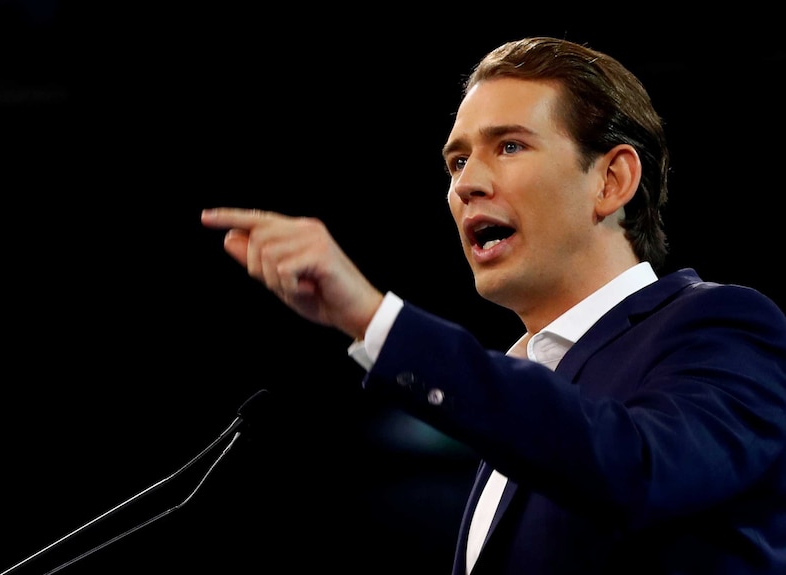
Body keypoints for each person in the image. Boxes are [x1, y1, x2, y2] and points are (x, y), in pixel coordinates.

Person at [200, 36, 786, 574]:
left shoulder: (724, 326)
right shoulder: (522, 394)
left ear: (611, 181)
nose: (466, 184)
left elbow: (638, 469)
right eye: (456, 162)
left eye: (508, 145)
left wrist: (374, 319)